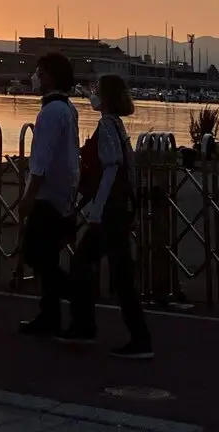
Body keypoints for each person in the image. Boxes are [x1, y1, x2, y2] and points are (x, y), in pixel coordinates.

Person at [60, 73, 153, 358]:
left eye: (97, 90)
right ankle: (85, 324)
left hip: (110, 212)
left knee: (113, 271)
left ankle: (135, 338)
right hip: (118, 209)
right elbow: (129, 168)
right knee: (91, 263)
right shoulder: (118, 127)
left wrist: (96, 210)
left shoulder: (107, 127)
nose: (93, 94)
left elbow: (113, 169)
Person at [16, 52, 81, 335]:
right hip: (63, 193)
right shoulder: (67, 109)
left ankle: (77, 295)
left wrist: (29, 196)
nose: (35, 78)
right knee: (48, 256)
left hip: (48, 197)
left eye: (40, 73)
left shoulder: (51, 112)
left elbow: (41, 159)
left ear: (52, 77)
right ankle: (49, 315)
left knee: (35, 254)